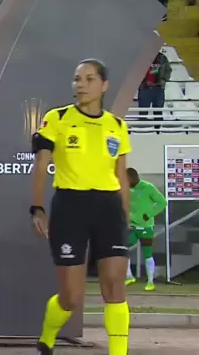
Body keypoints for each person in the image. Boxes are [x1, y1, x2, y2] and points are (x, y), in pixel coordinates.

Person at [30, 59, 131, 355]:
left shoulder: (117, 125)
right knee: (71, 298)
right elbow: (41, 165)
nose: (81, 85)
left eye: (89, 79)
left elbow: (121, 176)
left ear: (104, 85)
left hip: (109, 208)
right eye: (77, 79)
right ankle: (47, 337)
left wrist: (125, 218)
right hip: (70, 207)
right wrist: (37, 207)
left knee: (114, 285)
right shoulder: (58, 118)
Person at [125, 168, 165, 291]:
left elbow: (162, 202)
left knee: (147, 253)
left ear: (133, 178)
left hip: (146, 227)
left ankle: (150, 282)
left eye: (127, 179)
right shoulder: (126, 189)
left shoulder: (148, 187)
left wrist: (149, 214)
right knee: (123, 249)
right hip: (132, 226)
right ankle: (129, 276)